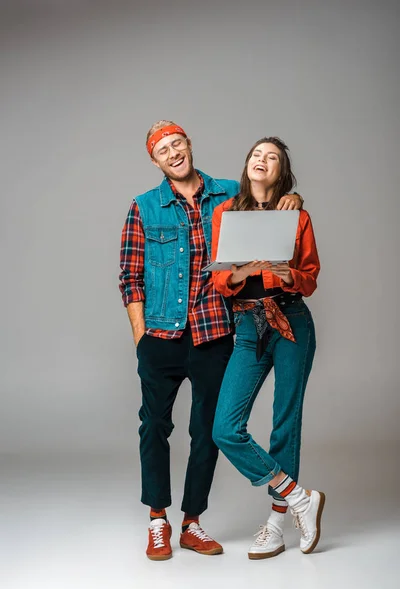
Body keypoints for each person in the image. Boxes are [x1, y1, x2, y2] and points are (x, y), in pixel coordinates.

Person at [119, 122, 303, 561]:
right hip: (160, 336)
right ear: (155, 160)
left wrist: (290, 201)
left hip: (214, 333)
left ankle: (192, 524)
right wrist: (141, 337)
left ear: (189, 145)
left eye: (177, 144)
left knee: (208, 432)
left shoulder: (227, 194)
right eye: (163, 150)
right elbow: (130, 277)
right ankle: (158, 520)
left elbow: (267, 200)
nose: (173, 153)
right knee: (155, 428)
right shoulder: (143, 207)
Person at [211, 137, 325, 559]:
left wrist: (287, 273)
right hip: (247, 324)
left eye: (271, 157)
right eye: (257, 155)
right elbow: (220, 280)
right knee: (225, 428)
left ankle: (277, 524)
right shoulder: (226, 212)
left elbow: (311, 276)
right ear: (247, 165)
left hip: (291, 320)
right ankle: (299, 497)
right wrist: (243, 271)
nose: (262, 160)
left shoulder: (297, 215)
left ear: (281, 171)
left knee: (284, 422)